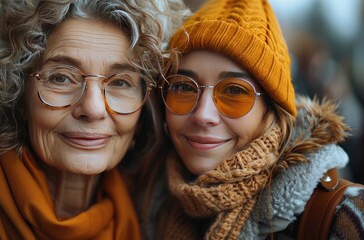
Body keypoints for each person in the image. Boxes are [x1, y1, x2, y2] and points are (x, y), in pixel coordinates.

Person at [0, 0, 189, 239]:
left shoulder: (157, 228)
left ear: (145, 110)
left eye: (121, 82)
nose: (92, 108)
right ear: (16, 92)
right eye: (61, 78)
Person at [154, 0, 364, 239]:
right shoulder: (147, 201)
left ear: (272, 110)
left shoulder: (343, 218)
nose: (203, 115)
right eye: (184, 87)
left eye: (234, 91)